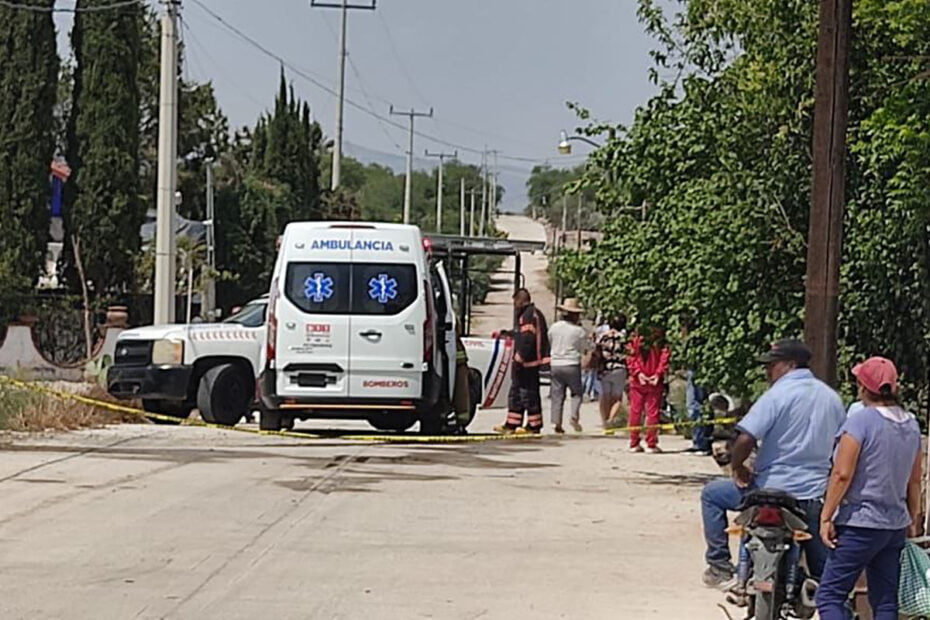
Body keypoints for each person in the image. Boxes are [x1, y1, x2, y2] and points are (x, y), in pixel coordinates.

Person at [700, 338, 846, 590]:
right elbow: (841, 445)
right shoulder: (831, 398)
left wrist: (738, 467)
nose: (767, 371)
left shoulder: (777, 395)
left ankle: (720, 566)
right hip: (812, 495)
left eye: (772, 365)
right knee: (825, 575)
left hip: (767, 491)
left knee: (712, 495)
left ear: (789, 365)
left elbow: (745, 437)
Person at [816, 357, 923, 619]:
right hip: (893, 525)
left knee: (830, 595)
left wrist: (826, 515)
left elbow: (842, 474)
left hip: (859, 524)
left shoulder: (860, 422)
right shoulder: (911, 425)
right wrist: (912, 518)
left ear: (862, 387)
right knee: (885, 600)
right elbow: (915, 480)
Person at [494, 289, 550, 434]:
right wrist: (505, 334)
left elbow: (527, 339)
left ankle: (534, 425)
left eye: (515, 302)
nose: (514, 306)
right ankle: (512, 423)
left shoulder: (528, 315)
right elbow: (519, 334)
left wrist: (520, 356)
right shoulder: (528, 314)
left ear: (520, 300)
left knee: (528, 394)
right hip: (525, 363)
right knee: (516, 393)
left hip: (528, 363)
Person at [626, 326, 671, 453]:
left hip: (638, 381)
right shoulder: (660, 341)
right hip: (653, 382)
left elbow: (630, 358)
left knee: (635, 411)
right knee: (653, 412)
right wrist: (658, 374)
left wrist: (638, 373)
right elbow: (664, 358)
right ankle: (651, 443)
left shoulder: (635, 339)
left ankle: (634, 442)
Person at [548, 298, 588, 434]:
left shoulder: (554, 327)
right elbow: (585, 348)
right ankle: (574, 416)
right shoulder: (579, 331)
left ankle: (556, 422)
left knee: (557, 394)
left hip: (555, 363)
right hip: (571, 363)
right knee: (576, 393)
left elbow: (550, 341)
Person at [680, 314, 711, 455]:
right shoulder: (690, 341)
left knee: (695, 405)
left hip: (698, 369)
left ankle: (702, 443)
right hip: (692, 369)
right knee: (692, 405)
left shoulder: (697, 339)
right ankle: (697, 441)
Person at [594, 314, 628, 429]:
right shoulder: (624, 337)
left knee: (604, 396)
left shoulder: (603, 336)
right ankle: (611, 420)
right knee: (617, 397)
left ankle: (604, 421)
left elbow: (596, 349)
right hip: (620, 368)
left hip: (605, 368)